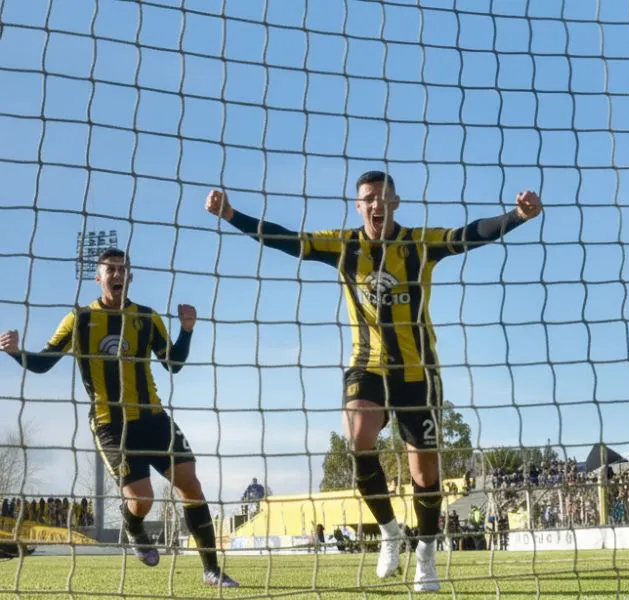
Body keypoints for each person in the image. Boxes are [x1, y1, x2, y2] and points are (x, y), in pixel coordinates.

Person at [205, 171, 541, 592]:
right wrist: (232, 214)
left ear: (395, 203)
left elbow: (469, 234)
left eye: (384, 197)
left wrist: (518, 216)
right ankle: (389, 532)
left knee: (425, 470)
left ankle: (425, 555)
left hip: (419, 371)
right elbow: (287, 240)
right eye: (369, 198)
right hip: (367, 365)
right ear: (359, 206)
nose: (377, 204)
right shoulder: (343, 245)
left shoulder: (419, 243)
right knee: (359, 438)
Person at [0, 249, 237, 588]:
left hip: (153, 418)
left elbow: (173, 364)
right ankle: (135, 527)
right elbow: (43, 363)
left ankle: (212, 570)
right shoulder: (79, 319)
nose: (117, 274)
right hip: (111, 425)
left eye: (123, 269)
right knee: (142, 500)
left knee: (191, 485)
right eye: (110, 269)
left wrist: (186, 330)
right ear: (98, 278)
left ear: (129, 277)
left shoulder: (146, 317)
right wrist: (15, 352)